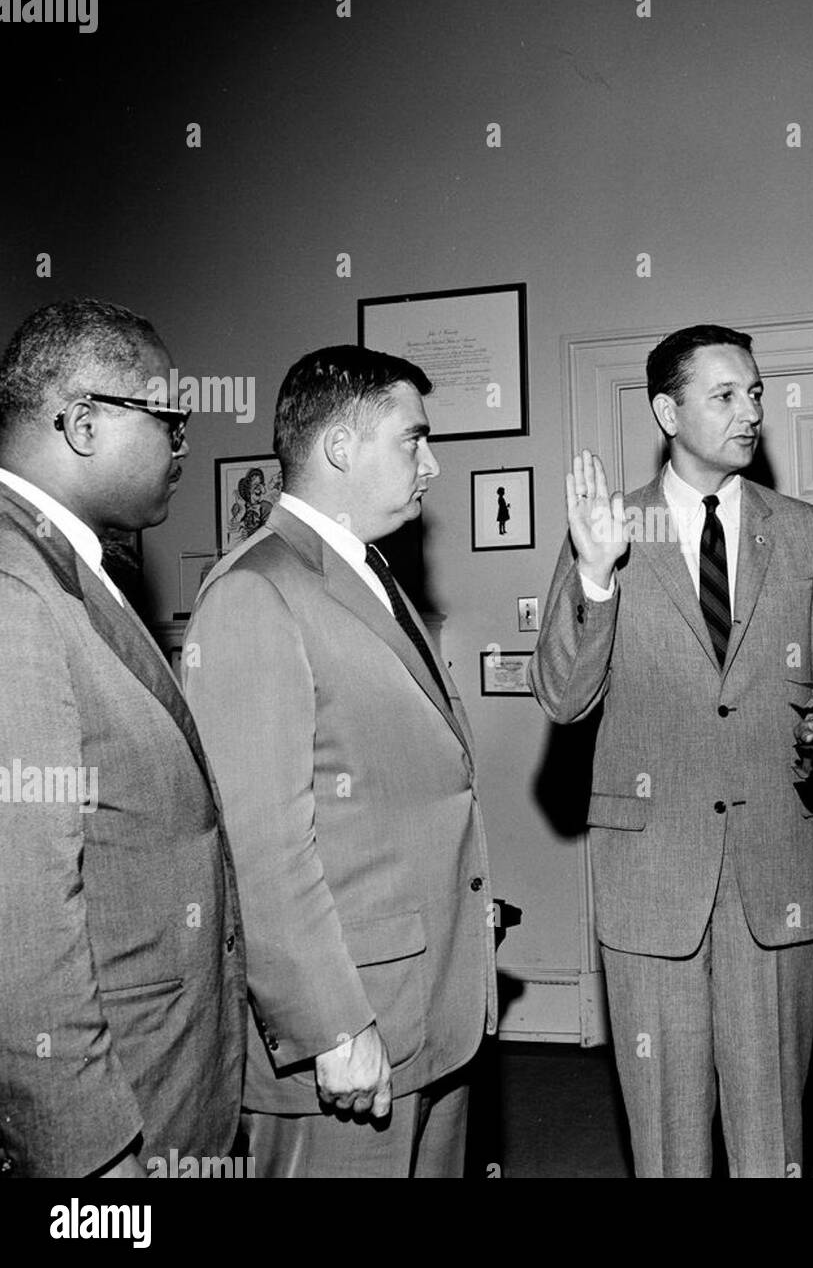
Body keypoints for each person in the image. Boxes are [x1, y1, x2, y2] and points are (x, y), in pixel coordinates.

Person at [530, 322, 813, 1177]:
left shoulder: (802, 531)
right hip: (654, 871)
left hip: (775, 865)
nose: (749, 411)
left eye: (754, 391)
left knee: (772, 1136)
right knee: (668, 1136)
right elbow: (564, 699)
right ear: (666, 411)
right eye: (724, 394)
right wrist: (596, 575)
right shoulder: (606, 529)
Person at [183, 346, 495, 1178]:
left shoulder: (370, 573)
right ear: (340, 447)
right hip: (353, 1031)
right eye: (413, 440)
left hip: (429, 1008)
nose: (432, 466)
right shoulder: (257, 590)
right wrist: (331, 1027)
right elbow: (260, 845)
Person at [0, 298, 245, 1178]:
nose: (183, 447)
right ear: (82, 422)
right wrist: (90, 1156)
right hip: (114, 1118)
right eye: (168, 419)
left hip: (165, 1076)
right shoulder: (15, 593)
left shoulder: (75, 567)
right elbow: (19, 928)